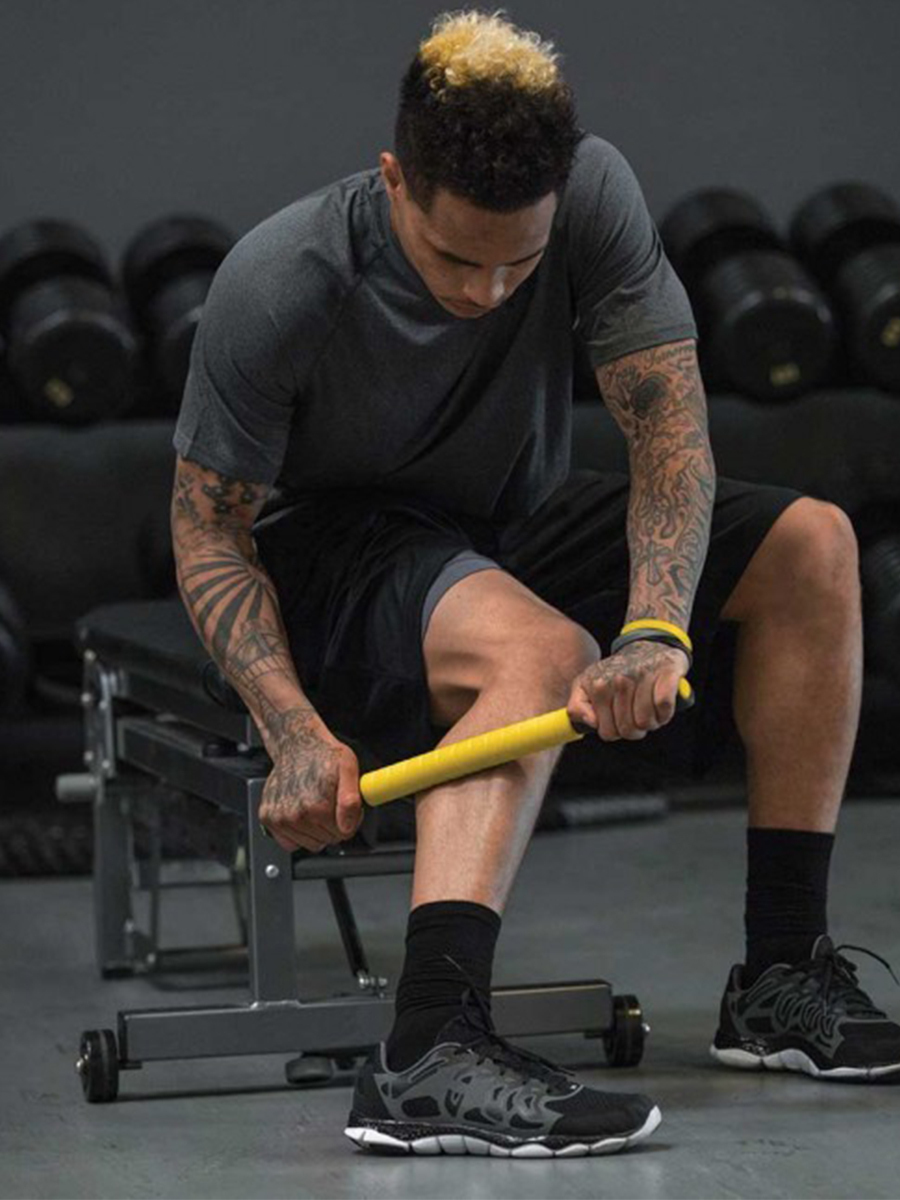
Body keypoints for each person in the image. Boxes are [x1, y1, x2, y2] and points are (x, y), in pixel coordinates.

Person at [169, 8, 900, 1159]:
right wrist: (292, 727)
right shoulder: (285, 276)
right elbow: (210, 533)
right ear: (395, 180)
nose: (489, 290)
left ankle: (778, 974)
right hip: (335, 548)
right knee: (544, 651)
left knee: (813, 545)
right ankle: (427, 1051)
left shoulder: (594, 193)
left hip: (507, 516)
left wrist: (657, 629)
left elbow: (669, 438)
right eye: (456, 258)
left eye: (518, 261)